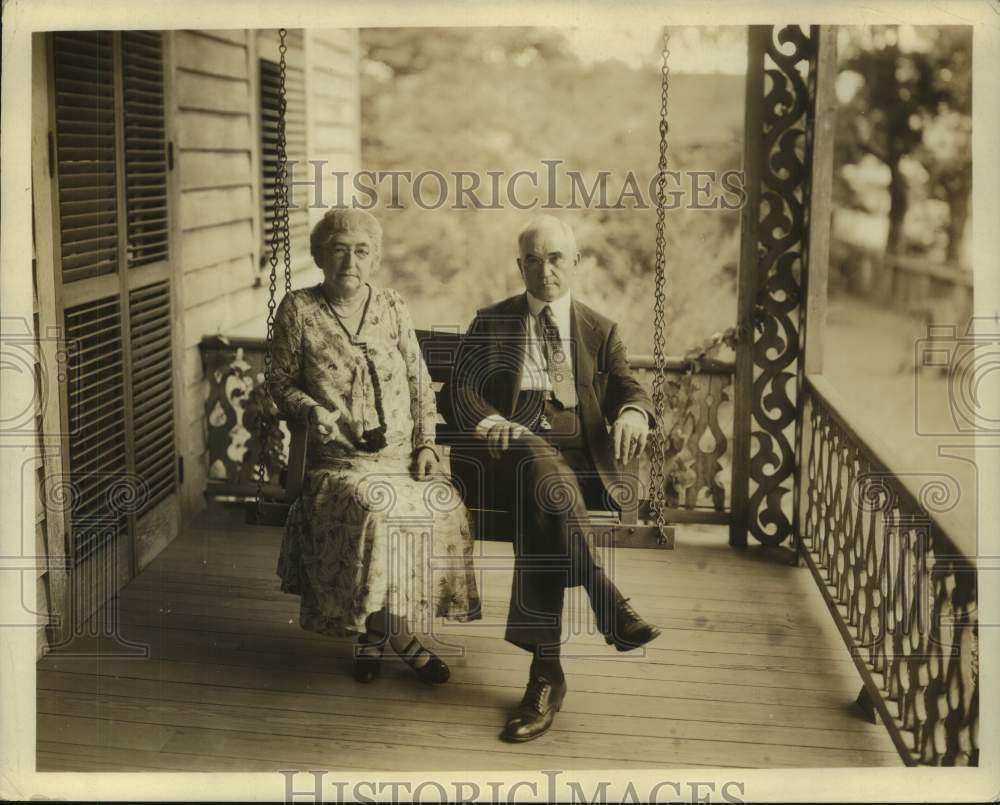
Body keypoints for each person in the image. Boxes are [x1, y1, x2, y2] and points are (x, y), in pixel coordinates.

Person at [450, 215, 661, 742]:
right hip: (508, 457)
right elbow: (458, 391)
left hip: (580, 470)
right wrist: (491, 419)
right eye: (534, 260)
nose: (546, 270)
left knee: (547, 499)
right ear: (520, 265)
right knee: (534, 464)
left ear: (576, 263)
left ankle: (548, 674)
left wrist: (634, 412)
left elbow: (630, 388)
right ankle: (601, 599)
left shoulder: (599, 329)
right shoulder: (493, 321)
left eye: (557, 258)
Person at [270, 207, 481, 685]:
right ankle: (398, 638)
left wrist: (427, 446)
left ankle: (376, 635)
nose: (350, 261)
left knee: (443, 501)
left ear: (376, 258)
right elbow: (279, 384)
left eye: (361, 251)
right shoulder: (298, 310)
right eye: (339, 250)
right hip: (339, 462)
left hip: (401, 459)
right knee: (375, 508)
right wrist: (311, 411)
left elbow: (420, 382)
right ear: (319, 256)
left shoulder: (391, 306)